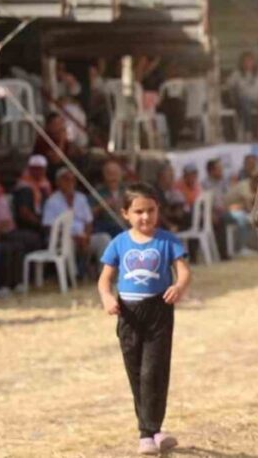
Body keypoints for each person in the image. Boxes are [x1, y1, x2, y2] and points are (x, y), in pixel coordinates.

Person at [97, 183, 190, 455]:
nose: (145, 217)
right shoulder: (119, 243)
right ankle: (153, 430)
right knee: (136, 372)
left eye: (151, 210)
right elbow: (105, 279)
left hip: (158, 311)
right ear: (126, 213)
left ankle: (148, 432)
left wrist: (179, 287)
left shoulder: (168, 240)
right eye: (138, 212)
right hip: (128, 314)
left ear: (158, 210)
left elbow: (183, 271)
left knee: (155, 371)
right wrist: (106, 298)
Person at [42, 168, 95, 277]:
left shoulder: (81, 198)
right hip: (62, 238)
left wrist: (87, 236)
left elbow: (88, 221)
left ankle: (102, 274)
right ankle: (75, 275)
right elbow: (48, 226)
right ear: (58, 182)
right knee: (70, 244)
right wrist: (71, 236)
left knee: (103, 239)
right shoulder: (52, 201)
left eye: (72, 180)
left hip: (83, 235)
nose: (69, 182)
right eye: (65, 179)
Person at [225, 51, 258, 141]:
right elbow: (228, 85)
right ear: (242, 63)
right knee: (245, 103)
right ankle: (248, 131)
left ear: (254, 62)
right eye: (245, 61)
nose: (247, 63)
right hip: (245, 99)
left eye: (250, 61)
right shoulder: (237, 74)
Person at [33, 112, 87, 180]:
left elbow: (70, 150)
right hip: (49, 170)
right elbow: (56, 160)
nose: (60, 127)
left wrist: (79, 151)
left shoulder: (59, 137)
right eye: (57, 124)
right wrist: (62, 140)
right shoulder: (43, 139)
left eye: (61, 123)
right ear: (49, 126)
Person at [13, 155, 53, 237]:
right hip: (28, 226)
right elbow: (24, 213)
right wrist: (42, 224)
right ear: (30, 169)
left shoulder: (44, 185)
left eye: (41, 169)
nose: (38, 172)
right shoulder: (24, 187)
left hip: (43, 220)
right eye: (35, 169)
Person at [93, 159, 127, 239]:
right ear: (104, 175)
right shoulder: (98, 192)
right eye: (109, 173)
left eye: (115, 173)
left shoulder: (127, 191)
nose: (113, 177)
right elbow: (88, 215)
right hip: (104, 227)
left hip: (124, 225)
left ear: (120, 175)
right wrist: (101, 207)